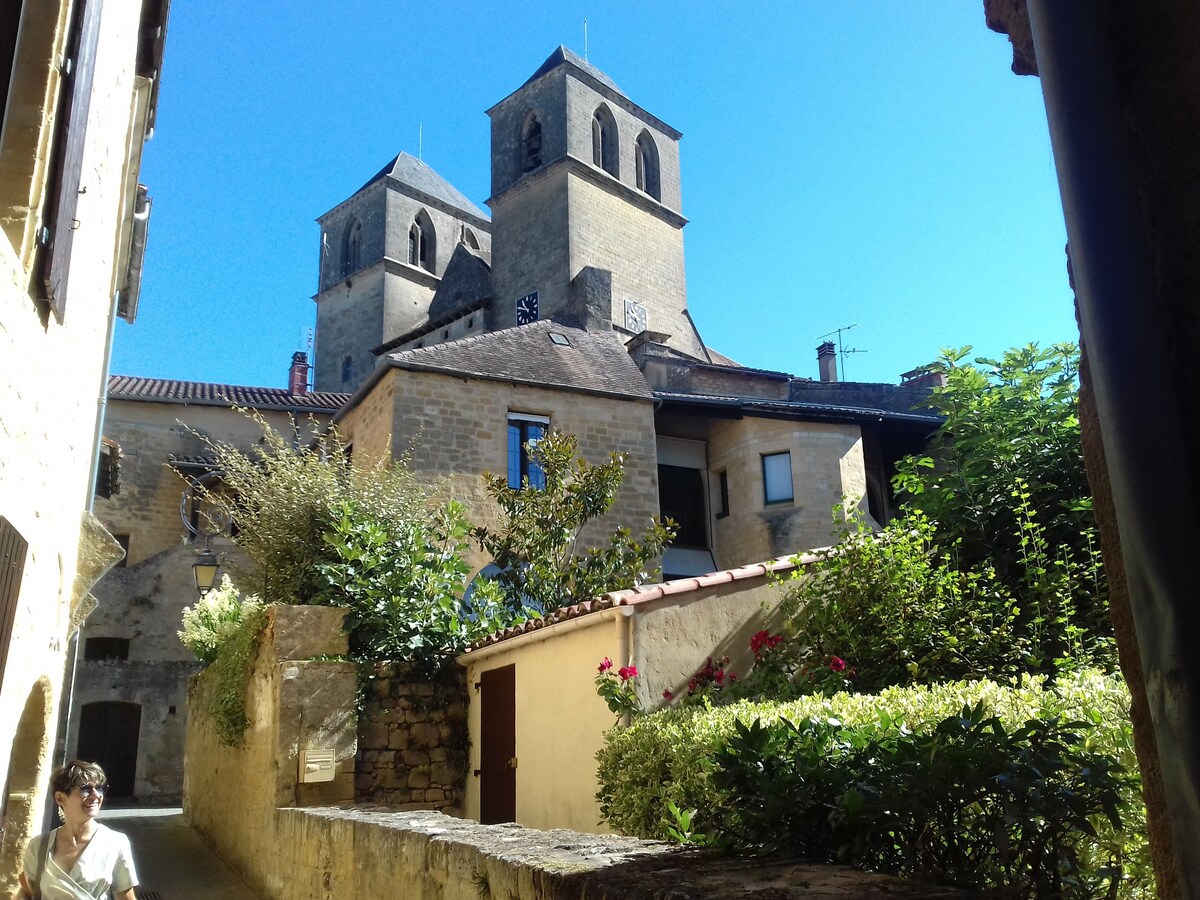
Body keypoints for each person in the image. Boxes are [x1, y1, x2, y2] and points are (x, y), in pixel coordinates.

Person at [17, 760, 137, 900]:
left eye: (100, 788)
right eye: (85, 789)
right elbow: (26, 892)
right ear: (60, 798)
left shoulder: (115, 843)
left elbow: (126, 897)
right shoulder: (39, 846)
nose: (96, 795)